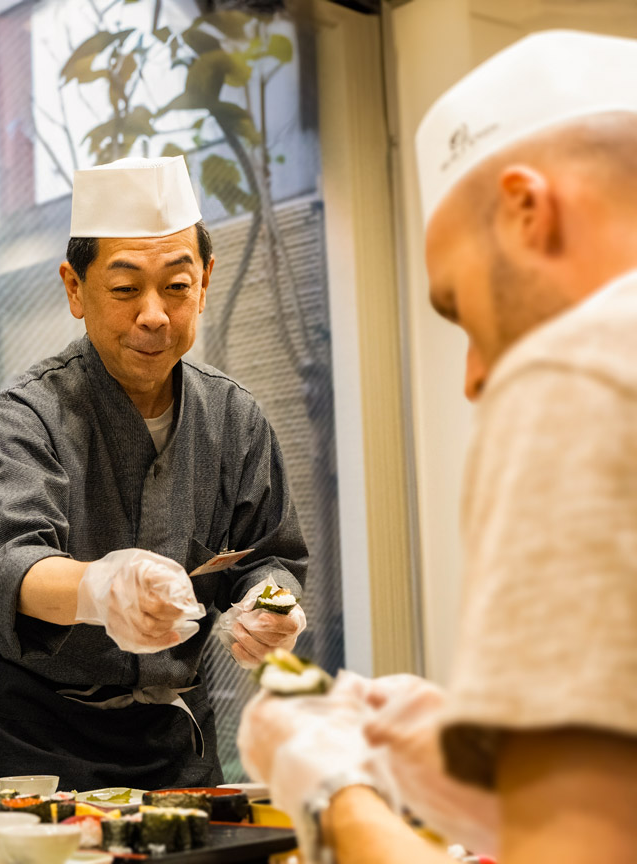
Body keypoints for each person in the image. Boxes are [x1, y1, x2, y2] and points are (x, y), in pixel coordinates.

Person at [237, 29, 637, 864]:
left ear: (528, 208)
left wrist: (329, 792)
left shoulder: (581, 370)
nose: (475, 376)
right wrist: (488, 779)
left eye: (459, 308)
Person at [0, 155, 310, 791]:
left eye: (176, 287)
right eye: (125, 290)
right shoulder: (30, 412)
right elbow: (12, 563)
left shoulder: (235, 418)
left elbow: (270, 557)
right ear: (75, 288)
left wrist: (271, 606)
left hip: (178, 738)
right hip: (37, 741)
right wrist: (101, 589)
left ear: (205, 281)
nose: (153, 314)